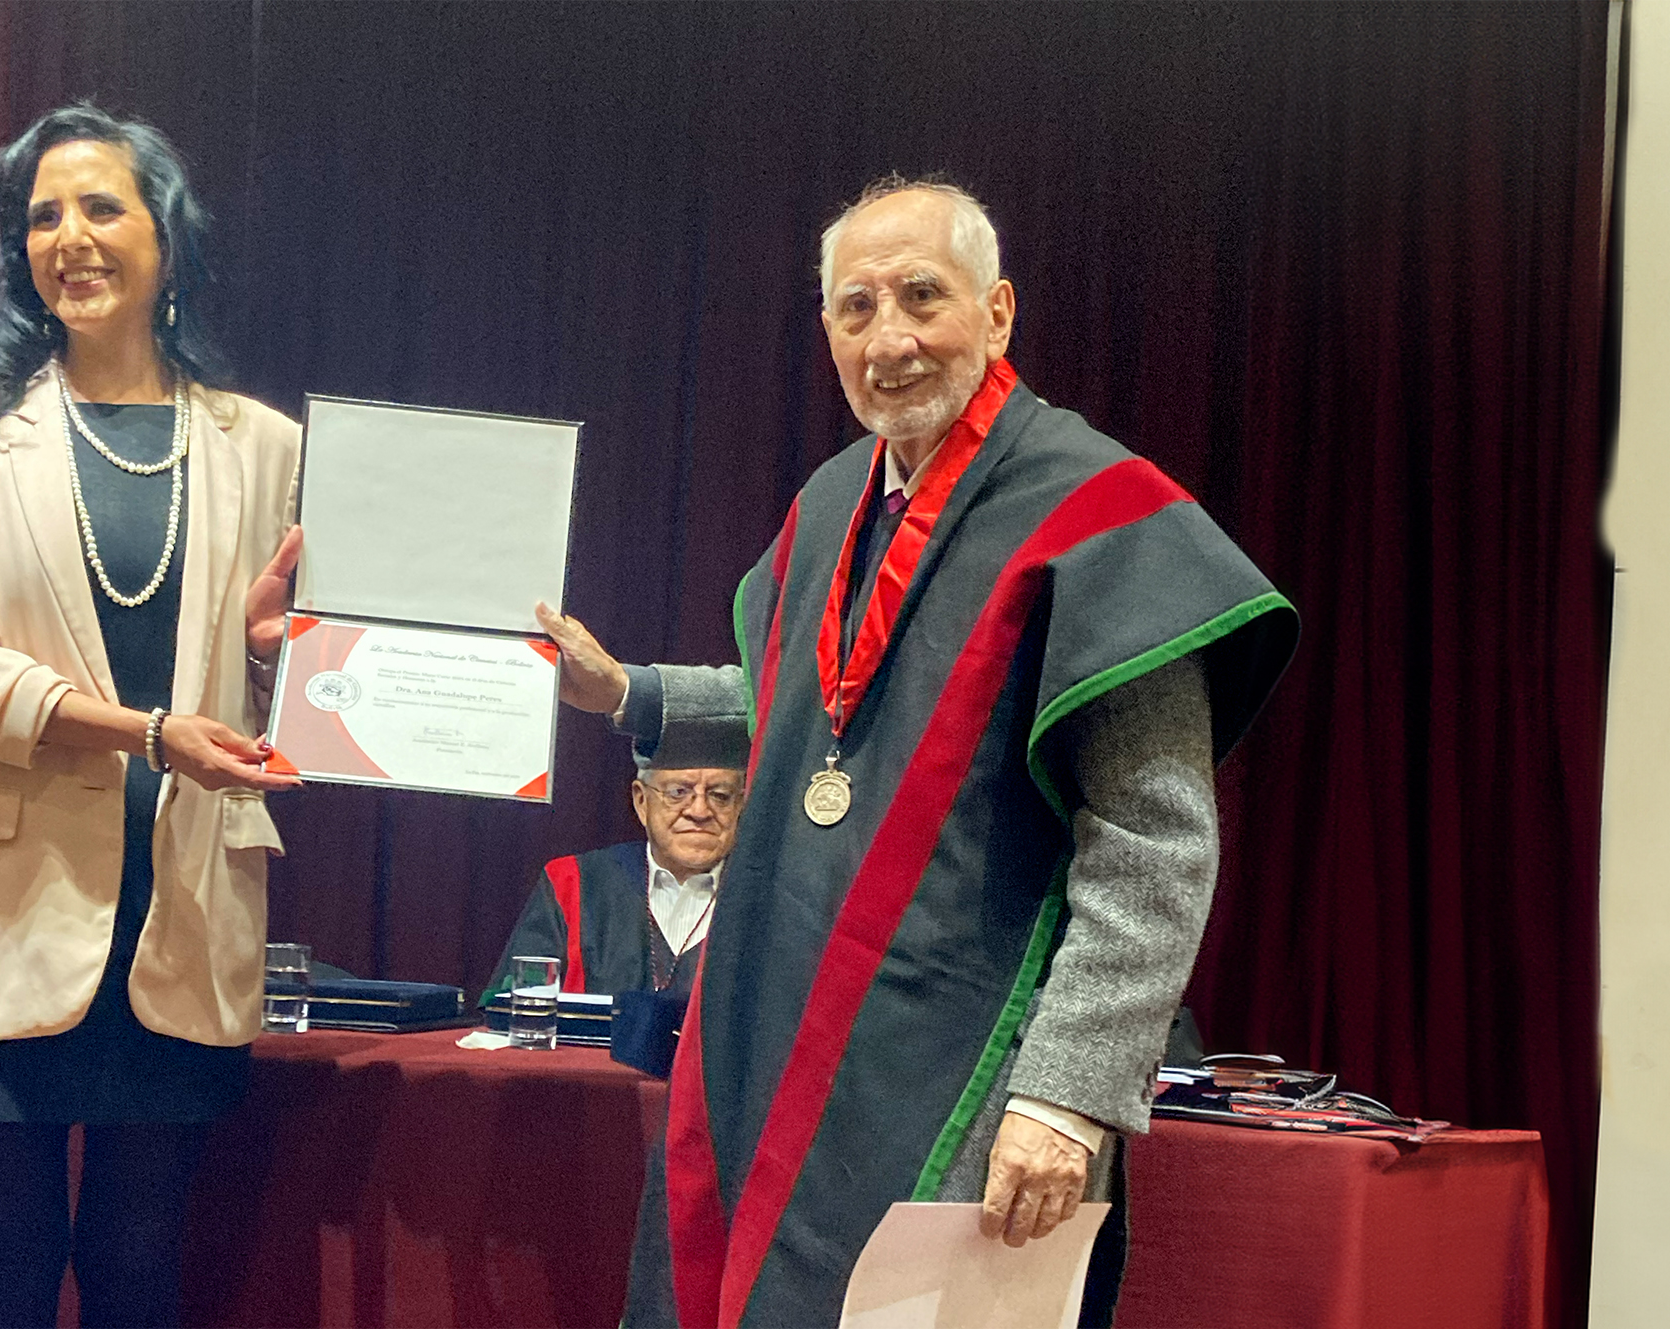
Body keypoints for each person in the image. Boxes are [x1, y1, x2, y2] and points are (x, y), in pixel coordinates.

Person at [535, 177, 1297, 1327]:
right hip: (780, 1038)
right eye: (857, 308)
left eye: (921, 296)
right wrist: (631, 691)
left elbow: (1154, 845)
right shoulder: (833, 503)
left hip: (976, 1071)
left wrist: (1067, 1096)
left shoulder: (1097, 516)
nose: (889, 338)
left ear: (998, 311)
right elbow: (817, 711)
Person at [0, 103, 301, 1329]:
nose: (68, 237)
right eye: (41, 217)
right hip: (7, 902)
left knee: (139, 1270)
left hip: (180, 904)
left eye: (102, 207)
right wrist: (147, 734)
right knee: (8, 1273)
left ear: (168, 238)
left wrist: (279, 667)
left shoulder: (263, 446)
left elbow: (275, 703)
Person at [483, 743, 747, 1005]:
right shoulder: (572, 883)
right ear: (641, 801)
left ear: (740, 805)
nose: (699, 811)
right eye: (678, 792)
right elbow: (513, 1011)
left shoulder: (763, 899)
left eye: (720, 795)